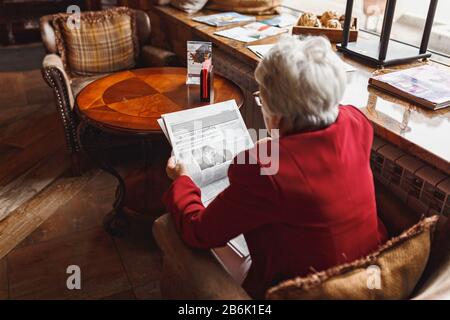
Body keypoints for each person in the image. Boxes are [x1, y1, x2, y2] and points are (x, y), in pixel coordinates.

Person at [163, 35, 388, 299]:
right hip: (367, 274)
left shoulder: (264, 167)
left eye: (262, 100)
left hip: (309, 289)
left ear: (278, 115)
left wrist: (182, 179)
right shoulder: (356, 122)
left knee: (172, 228)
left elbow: (199, 231)